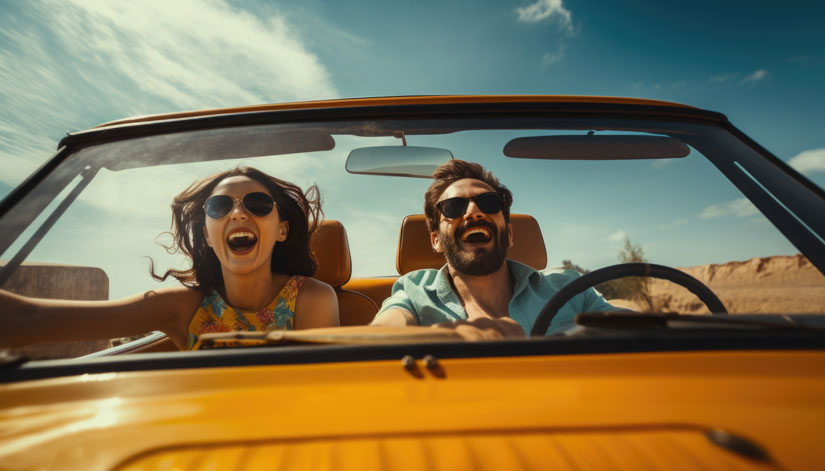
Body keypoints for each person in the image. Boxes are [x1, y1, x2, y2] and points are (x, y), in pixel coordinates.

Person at [1, 167, 339, 350]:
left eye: (258, 204)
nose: (237, 213)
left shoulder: (312, 299)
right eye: (219, 207)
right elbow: (28, 319)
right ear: (207, 234)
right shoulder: (183, 308)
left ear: (281, 230)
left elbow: (323, 397)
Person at [371, 159, 618, 340]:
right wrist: (442, 340)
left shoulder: (569, 288)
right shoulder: (414, 291)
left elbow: (637, 329)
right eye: (454, 207)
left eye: (488, 203)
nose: (473, 212)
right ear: (436, 240)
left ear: (509, 234)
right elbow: (383, 332)